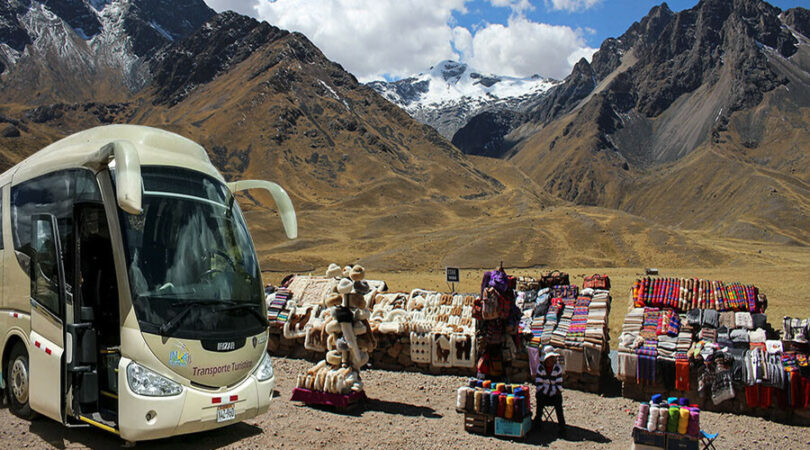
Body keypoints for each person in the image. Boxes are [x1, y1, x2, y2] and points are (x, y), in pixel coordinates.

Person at [534, 345, 567, 437]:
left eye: (552, 358)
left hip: (553, 395)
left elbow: (559, 386)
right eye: (549, 359)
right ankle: (537, 423)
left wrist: (551, 392)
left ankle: (562, 427)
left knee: (558, 399)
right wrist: (547, 391)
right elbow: (539, 384)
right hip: (543, 395)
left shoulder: (557, 369)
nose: (551, 361)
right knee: (539, 397)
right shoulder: (540, 368)